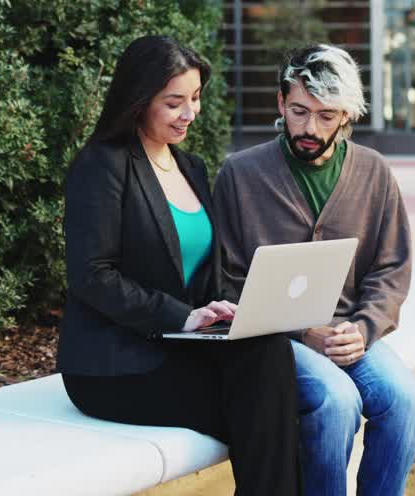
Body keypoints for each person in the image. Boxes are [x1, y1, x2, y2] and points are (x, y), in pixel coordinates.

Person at [56, 35, 300, 496]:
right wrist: (179, 315)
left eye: (195, 98)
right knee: (267, 410)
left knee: (269, 355)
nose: (190, 113)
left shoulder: (191, 167)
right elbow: (92, 275)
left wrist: (231, 309)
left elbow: (204, 269)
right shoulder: (101, 166)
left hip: (181, 346)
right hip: (113, 364)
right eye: (174, 103)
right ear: (139, 100)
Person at [213, 44, 415, 496]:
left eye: (326, 116)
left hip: (352, 335)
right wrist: (299, 329)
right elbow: (227, 278)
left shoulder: (374, 173)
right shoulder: (239, 174)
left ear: (347, 116)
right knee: (336, 401)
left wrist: (364, 329)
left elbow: (392, 267)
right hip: (276, 341)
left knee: (406, 401)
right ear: (280, 103)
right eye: (299, 111)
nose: (309, 128)